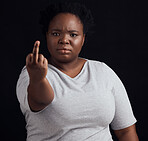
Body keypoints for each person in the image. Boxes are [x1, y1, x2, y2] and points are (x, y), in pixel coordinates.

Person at [16, 2, 139, 141]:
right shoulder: (32, 72)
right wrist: (38, 79)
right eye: (56, 33)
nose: (64, 40)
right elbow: (40, 101)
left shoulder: (103, 72)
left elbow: (126, 131)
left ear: (83, 39)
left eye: (73, 35)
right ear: (47, 36)